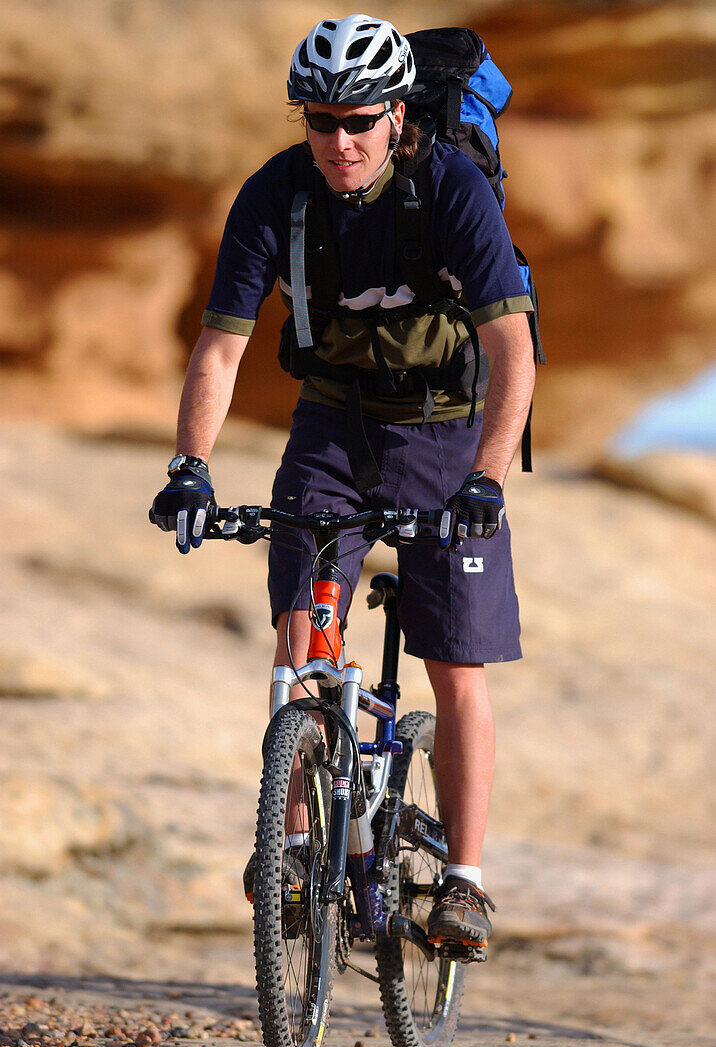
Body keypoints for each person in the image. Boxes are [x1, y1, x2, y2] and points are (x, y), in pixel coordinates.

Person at [151, 14, 535, 952]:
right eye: (321, 121)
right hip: (333, 425)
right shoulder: (275, 196)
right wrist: (190, 466)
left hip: (445, 429)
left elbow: (510, 349)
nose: (341, 141)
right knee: (302, 637)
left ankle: (465, 883)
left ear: (397, 112)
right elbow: (222, 344)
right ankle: (289, 852)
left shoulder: (447, 186)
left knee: (455, 664)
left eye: (359, 119)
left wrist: (486, 478)